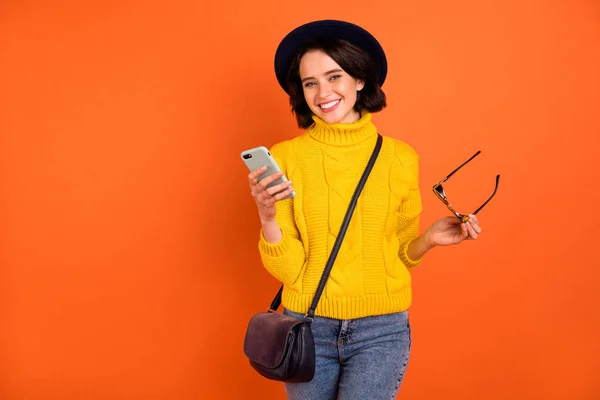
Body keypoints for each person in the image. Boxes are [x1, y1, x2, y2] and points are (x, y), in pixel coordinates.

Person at [245, 20, 483, 400]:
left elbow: (401, 253)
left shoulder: (400, 159)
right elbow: (290, 270)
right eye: (310, 83)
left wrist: (429, 240)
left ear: (359, 79)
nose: (323, 92)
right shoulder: (286, 157)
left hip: (381, 331)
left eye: (334, 76)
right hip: (308, 327)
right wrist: (267, 218)